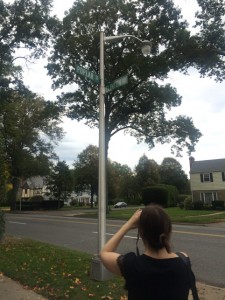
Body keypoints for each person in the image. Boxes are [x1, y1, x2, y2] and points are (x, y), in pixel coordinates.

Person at [99, 204, 196, 300]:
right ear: (168, 230)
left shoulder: (133, 266)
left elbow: (104, 253)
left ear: (141, 233)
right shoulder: (184, 262)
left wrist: (128, 224)